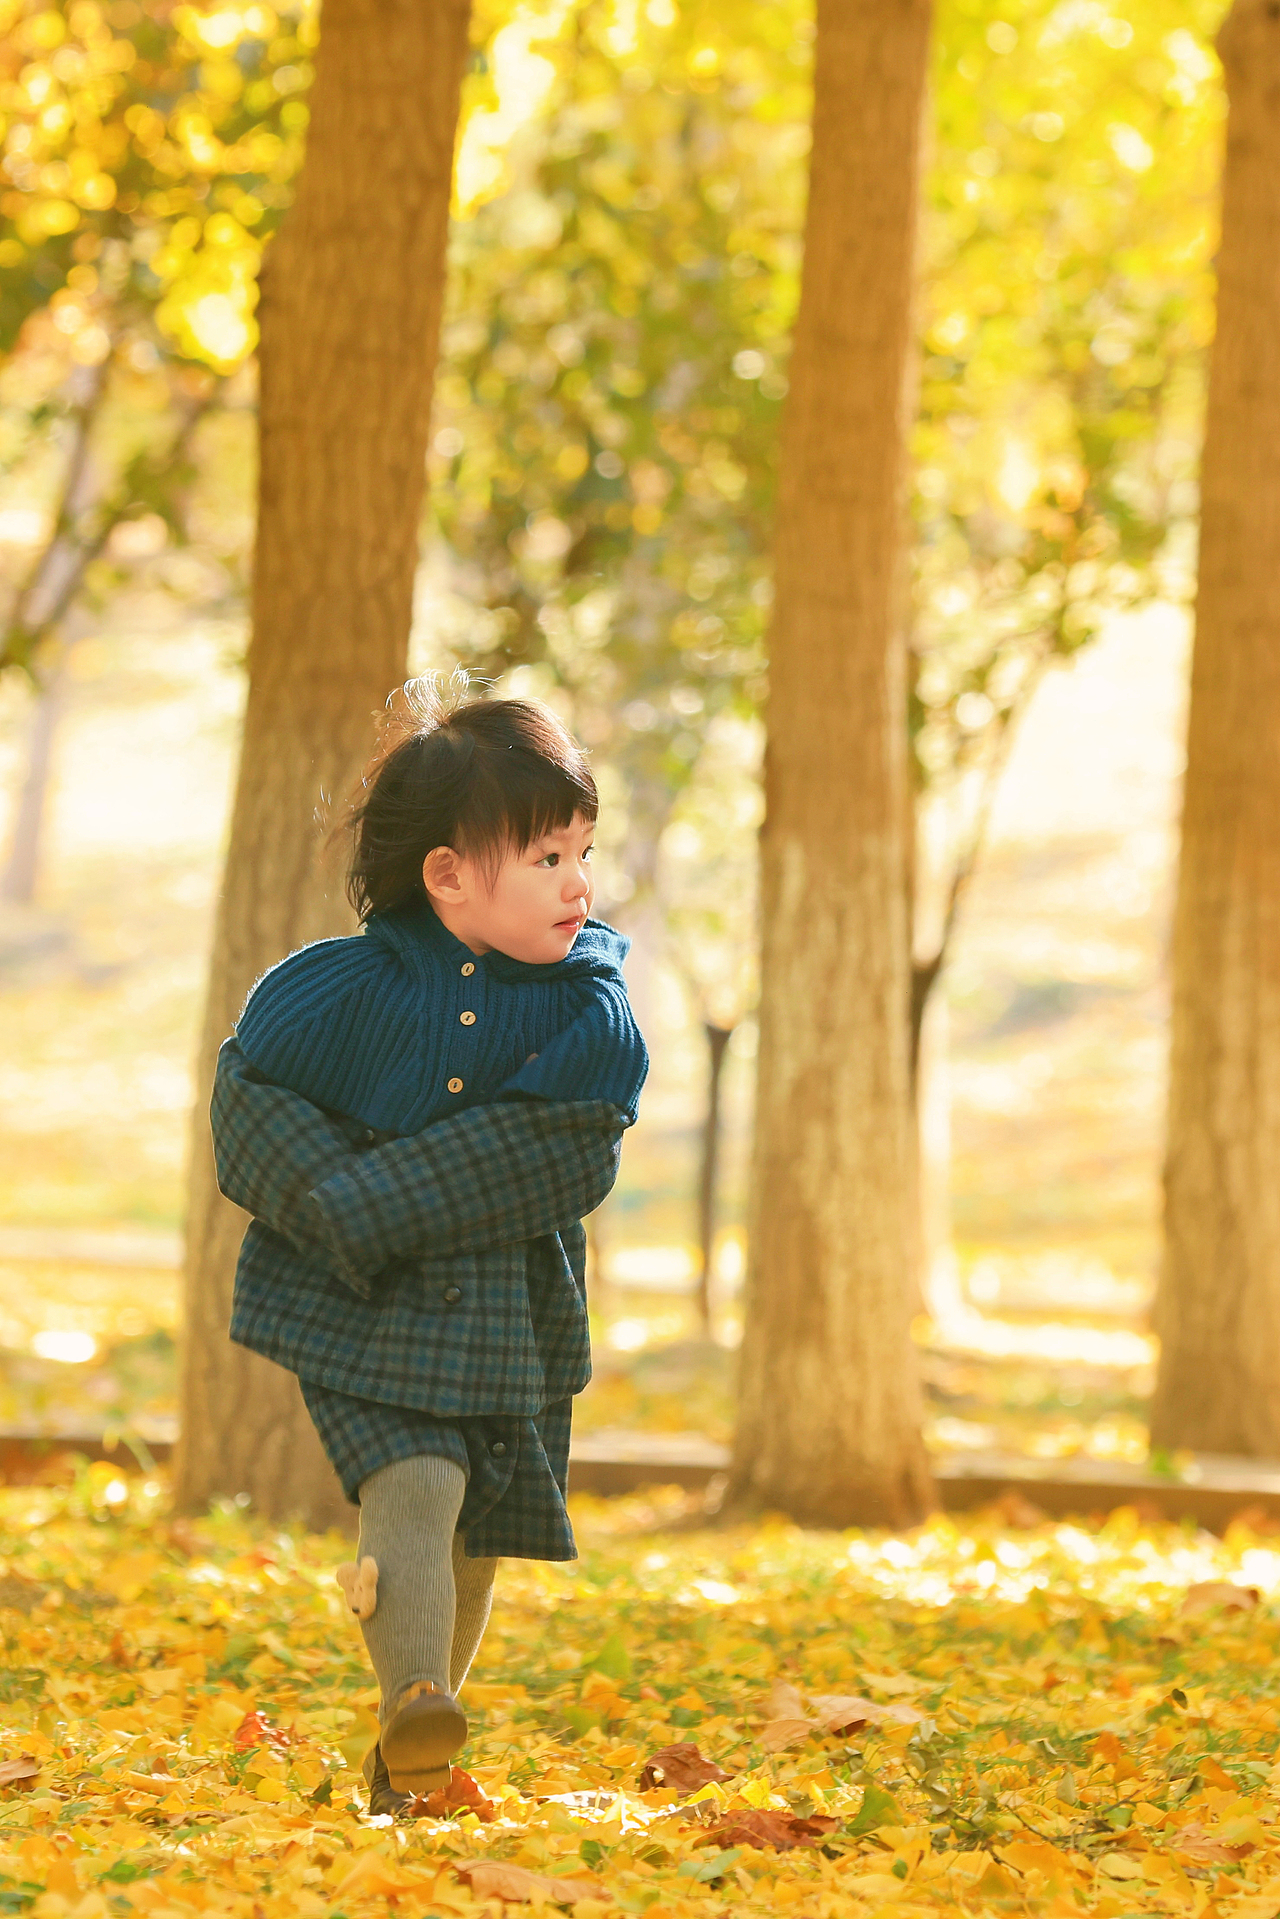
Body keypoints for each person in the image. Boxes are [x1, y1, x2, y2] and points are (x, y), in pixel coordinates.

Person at [208, 680, 648, 1816]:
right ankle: (410, 1686)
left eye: (582, 850)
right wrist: (334, 1202)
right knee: (413, 1473)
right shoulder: (331, 989)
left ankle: (415, 1746)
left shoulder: (588, 1007)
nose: (578, 882)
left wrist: (378, 1189)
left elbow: (563, 1153)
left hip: (510, 1307)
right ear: (447, 873)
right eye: (546, 856)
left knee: (481, 1519)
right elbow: (246, 1101)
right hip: (361, 1303)